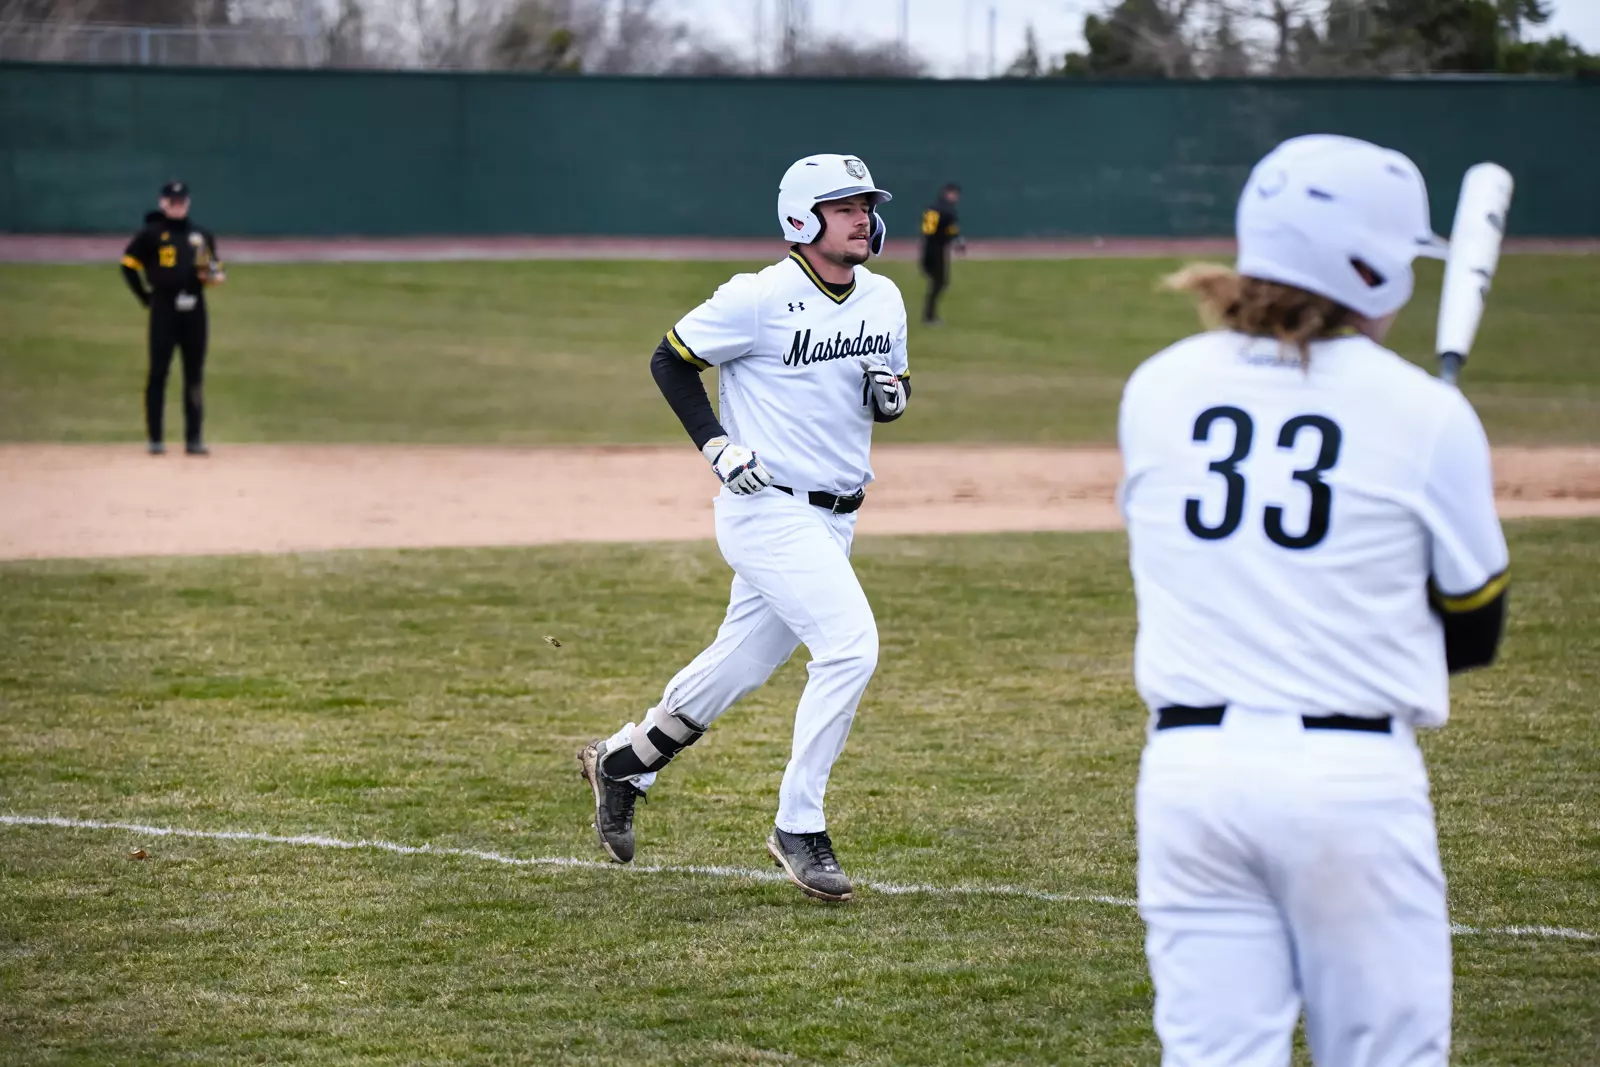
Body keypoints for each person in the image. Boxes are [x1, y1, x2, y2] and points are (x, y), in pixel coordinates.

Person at [1118, 134, 1508, 1066]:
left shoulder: (1158, 387)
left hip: (1188, 779)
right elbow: (1476, 629)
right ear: (1374, 270)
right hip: (1348, 781)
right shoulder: (1424, 412)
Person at [578, 153, 911, 903]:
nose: (863, 218)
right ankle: (799, 824)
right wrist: (716, 445)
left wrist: (893, 397)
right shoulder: (757, 297)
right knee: (850, 646)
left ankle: (625, 763)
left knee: (742, 663)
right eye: (845, 207)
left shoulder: (883, 298)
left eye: (866, 206)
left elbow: (893, 385)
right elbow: (671, 359)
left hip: (836, 517)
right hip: (766, 508)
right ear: (802, 219)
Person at [120, 180, 224, 456]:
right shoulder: (151, 234)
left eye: (181, 202)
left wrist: (212, 277)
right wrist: (144, 296)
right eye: (172, 202)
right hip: (164, 309)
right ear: (163, 203)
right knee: (158, 372)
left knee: (194, 375)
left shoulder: (200, 236)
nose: (177, 206)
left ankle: (194, 437)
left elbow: (212, 270)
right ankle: (155, 438)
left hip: (195, 311)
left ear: (188, 203)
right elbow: (128, 265)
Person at [918, 182, 963, 324]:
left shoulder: (933, 207)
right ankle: (929, 316)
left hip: (928, 247)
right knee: (940, 282)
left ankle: (930, 315)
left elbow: (927, 230)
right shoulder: (948, 210)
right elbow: (952, 230)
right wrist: (958, 243)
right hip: (937, 248)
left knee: (937, 282)